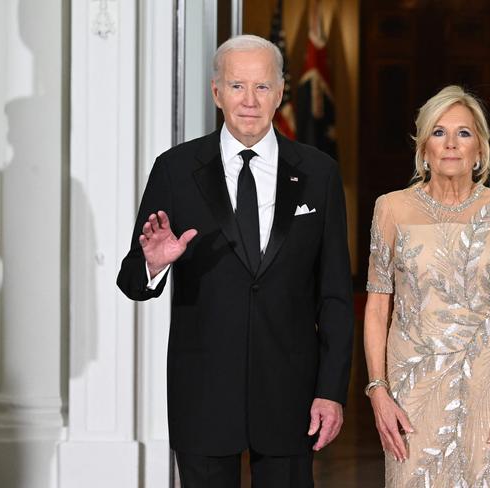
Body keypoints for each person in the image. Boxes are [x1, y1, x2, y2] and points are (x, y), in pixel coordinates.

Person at [117, 34, 353, 488]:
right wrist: (154, 263)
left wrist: (330, 391)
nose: (249, 100)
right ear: (216, 92)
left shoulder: (319, 173)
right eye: (237, 86)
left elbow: (335, 295)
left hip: (291, 393)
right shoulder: (175, 169)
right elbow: (131, 278)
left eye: (262, 87)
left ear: (281, 92)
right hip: (203, 391)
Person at [363, 85, 490, 487]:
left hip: (489, 389)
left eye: (464, 133)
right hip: (414, 388)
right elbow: (376, 309)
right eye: (439, 132)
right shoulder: (390, 207)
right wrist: (378, 391)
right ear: (424, 147)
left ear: (480, 147)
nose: (451, 144)